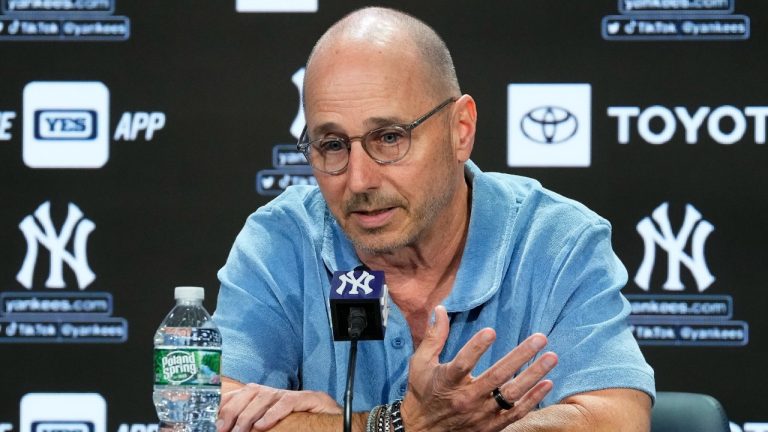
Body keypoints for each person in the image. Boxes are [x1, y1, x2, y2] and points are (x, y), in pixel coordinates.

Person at [213, 6, 655, 432]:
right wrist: (391, 426)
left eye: (389, 137)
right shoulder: (282, 240)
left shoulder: (556, 240)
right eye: (331, 145)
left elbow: (616, 416)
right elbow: (201, 413)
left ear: (460, 130)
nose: (360, 180)